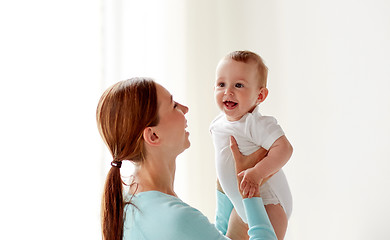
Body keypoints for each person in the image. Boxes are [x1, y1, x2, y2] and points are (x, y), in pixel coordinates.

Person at [96, 77, 277, 240]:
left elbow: (208, 235)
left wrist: (226, 190)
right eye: (173, 105)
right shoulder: (175, 219)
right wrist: (250, 191)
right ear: (153, 136)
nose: (185, 108)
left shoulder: (130, 208)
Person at [210, 51, 293, 239]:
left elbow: (285, 149)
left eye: (238, 85)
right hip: (240, 205)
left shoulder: (255, 123)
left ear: (260, 95)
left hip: (269, 204)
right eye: (221, 84)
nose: (228, 91)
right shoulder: (217, 124)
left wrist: (257, 173)